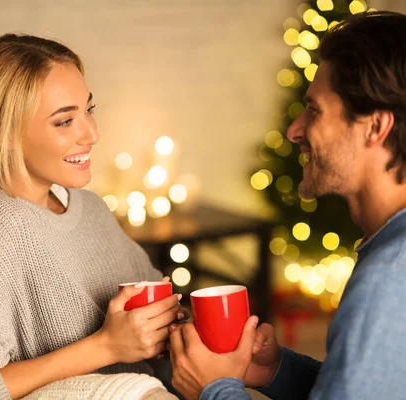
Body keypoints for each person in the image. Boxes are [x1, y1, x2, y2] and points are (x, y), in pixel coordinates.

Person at [0, 34, 186, 399]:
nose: (92, 134)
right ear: (3, 134)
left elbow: (156, 306)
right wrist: (105, 346)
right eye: (64, 122)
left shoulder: (90, 208)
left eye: (88, 110)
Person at [168, 11, 406, 400]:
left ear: (376, 127)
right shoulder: (389, 250)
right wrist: (278, 369)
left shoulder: (388, 279)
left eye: (314, 111)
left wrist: (213, 389)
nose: (295, 131)